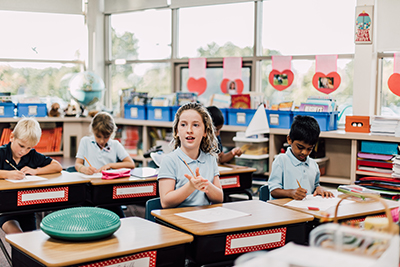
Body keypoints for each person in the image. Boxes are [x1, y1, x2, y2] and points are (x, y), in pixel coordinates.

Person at [0, 117, 63, 234]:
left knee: (31, 238)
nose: (23, 151)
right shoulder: (2, 153)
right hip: (5, 208)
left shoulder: (32, 155)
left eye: (29, 147)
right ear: (12, 137)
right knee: (17, 235)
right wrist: (7, 174)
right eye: (21, 146)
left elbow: (57, 166)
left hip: (27, 207)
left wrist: (36, 171)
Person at [158, 102, 224, 208]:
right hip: (177, 220)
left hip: (204, 218)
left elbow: (219, 198)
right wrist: (191, 186)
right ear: (177, 131)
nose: (189, 130)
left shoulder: (211, 159)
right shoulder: (169, 160)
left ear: (205, 131)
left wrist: (204, 183)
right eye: (183, 125)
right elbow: (165, 202)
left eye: (195, 125)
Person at [75, 112, 135, 217]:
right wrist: (84, 169)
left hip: (108, 189)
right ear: (93, 131)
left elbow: (130, 164)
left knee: (119, 218)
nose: (102, 141)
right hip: (90, 189)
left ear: (112, 133)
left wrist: (111, 165)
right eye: (99, 136)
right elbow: (77, 164)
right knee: (87, 216)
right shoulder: (85, 142)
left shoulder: (115, 144)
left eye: (106, 137)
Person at [268, 115, 333, 200]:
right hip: (283, 209)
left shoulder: (313, 165)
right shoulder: (281, 160)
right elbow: (274, 191)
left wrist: (319, 189)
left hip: (304, 209)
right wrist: (291, 193)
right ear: (289, 139)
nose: (304, 152)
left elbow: (315, 186)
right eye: (300, 147)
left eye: (309, 149)